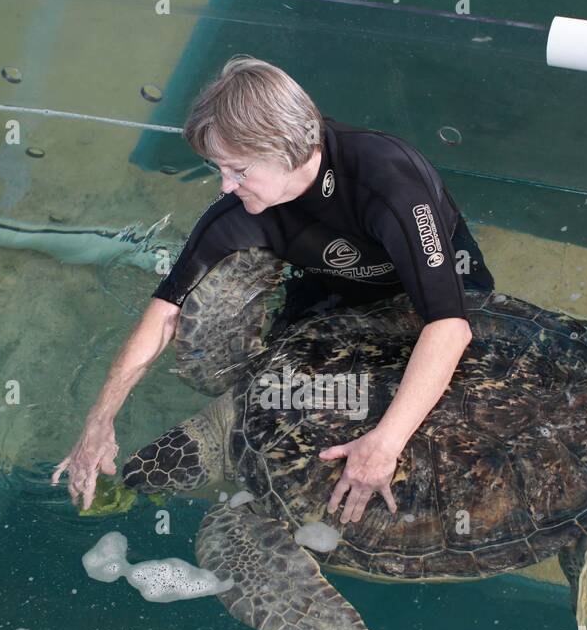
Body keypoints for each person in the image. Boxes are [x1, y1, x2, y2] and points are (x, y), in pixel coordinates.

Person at [53, 55, 495, 523]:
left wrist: (383, 446)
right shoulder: (239, 211)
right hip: (330, 292)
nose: (225, 186)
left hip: (426, 286)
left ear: (285, 148)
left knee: (447, 406)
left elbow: (448, 326)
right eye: (218, 168)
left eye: (237, 169)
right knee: (278, 397)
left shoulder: (389, 180)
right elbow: (165, 311)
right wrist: (99, 420)